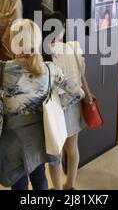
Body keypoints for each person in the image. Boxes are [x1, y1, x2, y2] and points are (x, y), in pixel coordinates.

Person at [0, 19, 84, 190]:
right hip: (41, 136)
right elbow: (78, 92)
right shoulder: (50, 69)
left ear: (13, 43)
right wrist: (55, 105)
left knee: (18, 183)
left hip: (12, 139)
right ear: (38, 41)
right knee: (40, 179)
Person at [43, 12, 89, 191]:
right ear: (62, 28)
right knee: (73, 149)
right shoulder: (73, 48)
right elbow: (82, 74)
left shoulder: (43, 54)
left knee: (55, 153)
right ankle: (70, 185)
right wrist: (88, 93)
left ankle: (58, 189)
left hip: (53, 110)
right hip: (74, 104)